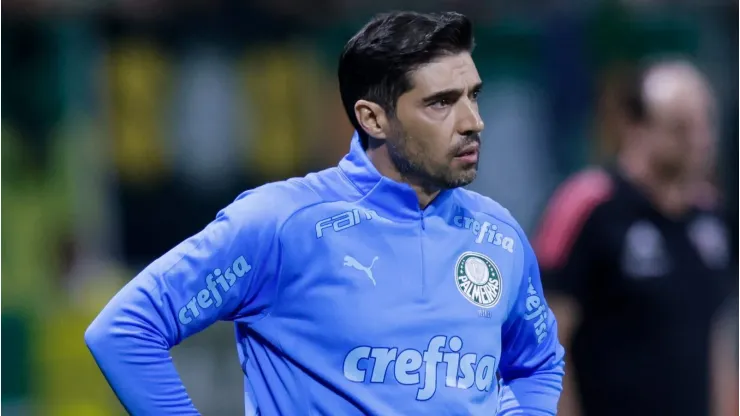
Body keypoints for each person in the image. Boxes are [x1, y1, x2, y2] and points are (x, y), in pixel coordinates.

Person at [85, 11, 565, 415]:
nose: (473, 122)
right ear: (372, 118)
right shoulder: (282, 223)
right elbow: (126, 330)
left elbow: (537, 363)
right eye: (441, 103)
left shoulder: (497, 234)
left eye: (473, 96)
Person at [534, 59, 735, 416]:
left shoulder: (713, 217)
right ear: (635, 127)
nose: (700, 140)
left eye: (705, 123)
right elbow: (545, 336)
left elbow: (714, 336)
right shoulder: (587, 205)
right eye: (681, 127)